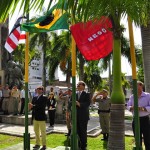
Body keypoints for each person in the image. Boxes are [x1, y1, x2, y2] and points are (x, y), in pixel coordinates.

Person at [127, 81, 150, 150]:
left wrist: (143, 108)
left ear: (141, 86)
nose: (135, 88)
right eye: (134, 87)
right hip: (135, 120)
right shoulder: (132, 96)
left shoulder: (148, 95)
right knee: (137, 139)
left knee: (147, 138)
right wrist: (131, 107)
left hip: (145, 120)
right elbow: (128, 106)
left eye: (137, 86)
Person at [28, 86, 47, 150]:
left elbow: (42, 106)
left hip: (41, 117)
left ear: (42, 90)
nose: (38, 90)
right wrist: (30, 106)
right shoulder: (34, 97)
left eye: (39, 89)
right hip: (35, 117)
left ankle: (44, 145)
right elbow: (33, 106)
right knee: (36, 131)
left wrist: (32, 106)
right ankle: (37, 143)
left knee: (43, 132)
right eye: (37, 89)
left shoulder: (44, 97)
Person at [76, 81, 90, 150]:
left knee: (83, 131)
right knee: (77, 131)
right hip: (76, 117)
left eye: (79, 84)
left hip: (83, 117)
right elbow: (70, 102)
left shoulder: (86, 94)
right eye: (77, 84)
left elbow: (87, 104)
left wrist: (79, 104)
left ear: (83, 86)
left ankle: (83, 146)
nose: (78, 85)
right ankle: (78, 144)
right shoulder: (74, 94)